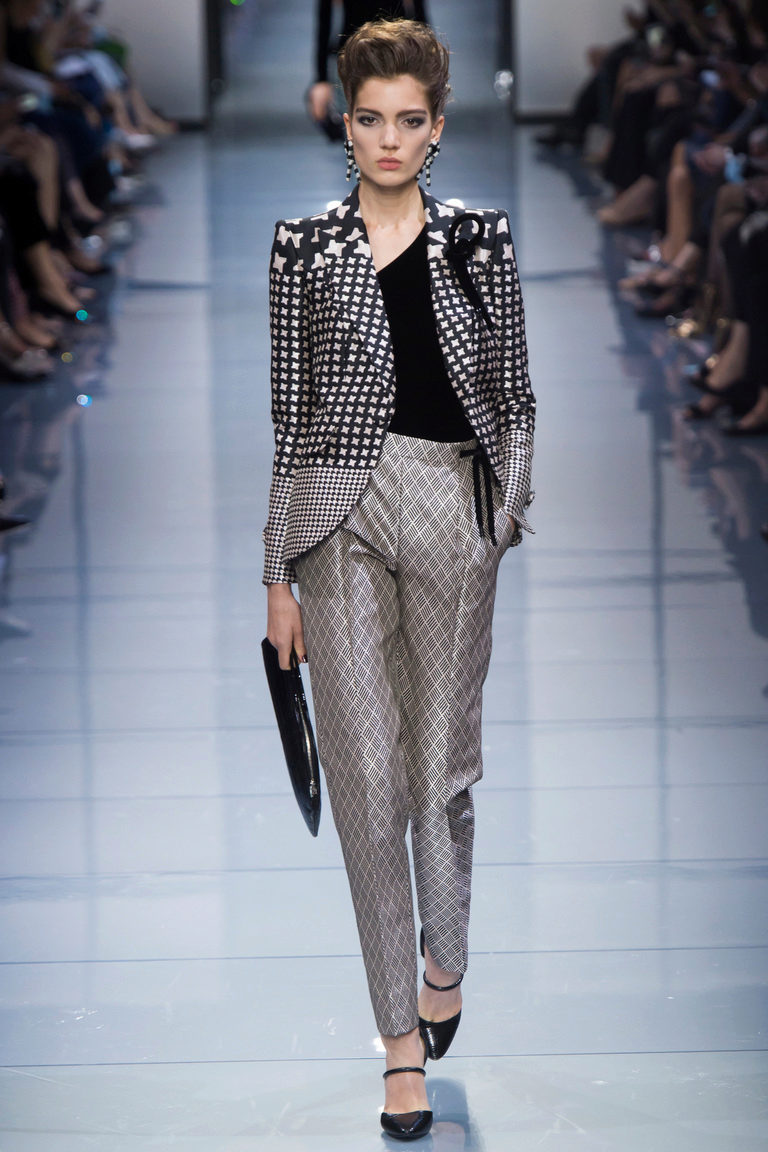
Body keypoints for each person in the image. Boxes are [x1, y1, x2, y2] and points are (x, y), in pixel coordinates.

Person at [264, 19, 535, 1141]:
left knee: (438, 774)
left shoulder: (480, 240)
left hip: (448, 504)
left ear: (437, 125)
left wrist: (498, 521)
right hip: (335, 519)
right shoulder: (301, 247)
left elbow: (515, 395)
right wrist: (276, 575)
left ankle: (446, 960)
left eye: (409, 120)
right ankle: (398, 1046)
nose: (389, 138)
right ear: (346, 121)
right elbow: (289, 420)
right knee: (368, 788)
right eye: (370, 118)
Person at [307, 0, 428, 127]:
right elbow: (325, 22)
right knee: (358, 124)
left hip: (397, 60)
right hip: (353, 62)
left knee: (394, 121)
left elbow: (421, 21)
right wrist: (322, 80)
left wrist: (426, 74)